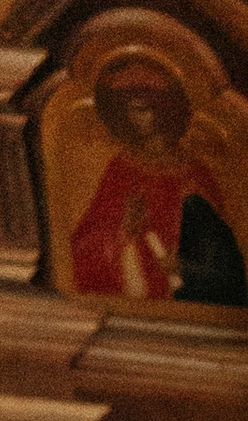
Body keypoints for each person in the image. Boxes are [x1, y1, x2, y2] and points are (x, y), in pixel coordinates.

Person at [69, 53, 248, 308]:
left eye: (144, 109)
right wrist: (123, 230)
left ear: (163, 110)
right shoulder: (122, 168)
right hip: (136, 288)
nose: (137, 118)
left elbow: (220, 251)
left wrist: (186, 266)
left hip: (189, 296)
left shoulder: (194, 172)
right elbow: (88, 239)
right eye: (131, 110)